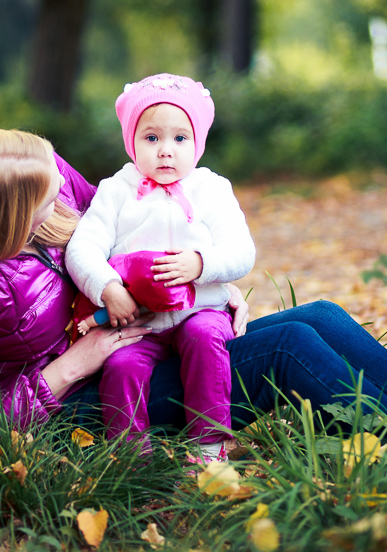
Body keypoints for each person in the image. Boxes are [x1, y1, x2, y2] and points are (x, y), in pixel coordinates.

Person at [0, 128, 387, 448]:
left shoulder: (31, 171)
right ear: (3, 221)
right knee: (287, 349)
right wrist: (74, 365)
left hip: (139, 337)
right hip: (79, 406)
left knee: (320, 317)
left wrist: (204, 282)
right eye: (47, 202)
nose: (64, 199)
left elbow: (118, 235)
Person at [64, 74, 254, 461]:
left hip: (200, 309)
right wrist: (107, 288)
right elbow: (81, 248)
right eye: (151, 138)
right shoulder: (116, 190)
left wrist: (201, 264)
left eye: (180, 139)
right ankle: (132, 456)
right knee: (121, 366)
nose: (166, 151)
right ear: (131, 140)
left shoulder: (212, 189)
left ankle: (209, 444)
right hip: (139, 323)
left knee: (206, 340)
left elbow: (241, 250)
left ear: (198, 142)